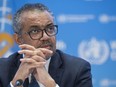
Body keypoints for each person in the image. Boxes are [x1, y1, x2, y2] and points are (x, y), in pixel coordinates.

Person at [0, 3, 93, 87]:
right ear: (18, 39)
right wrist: (16, 82)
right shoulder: (2, 69)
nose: (45, 36)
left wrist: (50, 84)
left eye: (50, 28)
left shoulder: (78, 69)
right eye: (35, 31)